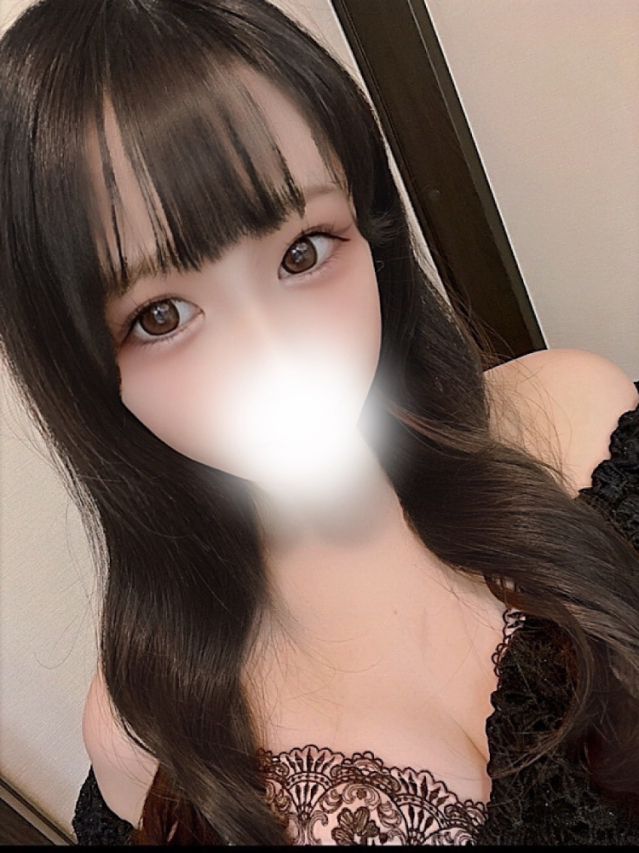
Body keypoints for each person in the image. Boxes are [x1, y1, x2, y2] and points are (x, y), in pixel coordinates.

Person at [1, 0, 639, 845]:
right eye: (160, 316)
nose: (272, 352)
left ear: (370, 229)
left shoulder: (581, 425)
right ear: (83, 371)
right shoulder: (144, 733)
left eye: (301, 251)